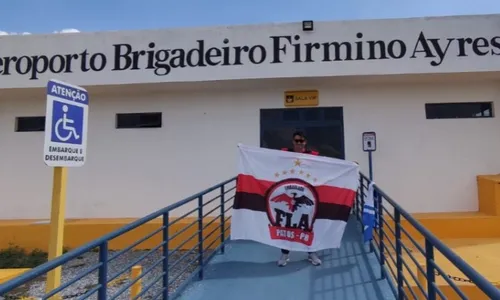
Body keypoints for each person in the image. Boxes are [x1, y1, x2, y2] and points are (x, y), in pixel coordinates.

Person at [278, 131, 322, 267]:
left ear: (305, 142)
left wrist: (350, 165)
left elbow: (330, 166)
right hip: (289, 193)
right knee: (287, 226)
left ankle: (311, 253)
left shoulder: (314, 156)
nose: (299, 143)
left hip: (308, 195)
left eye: (301, 141)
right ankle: (285, 254)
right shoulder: (284, 154)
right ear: (292, 142)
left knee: (309, 225)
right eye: (296, 141)